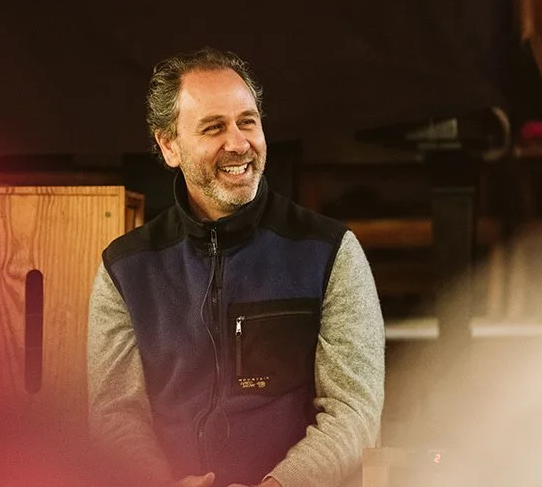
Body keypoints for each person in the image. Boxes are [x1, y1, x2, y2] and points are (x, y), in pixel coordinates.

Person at [87, 47, 384, 487]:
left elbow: (353, 412)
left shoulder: (330, 251)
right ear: (169, 145)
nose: (239, 143)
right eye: (214, 127)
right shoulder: (125, 269)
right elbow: (115, 415)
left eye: (247, 121)